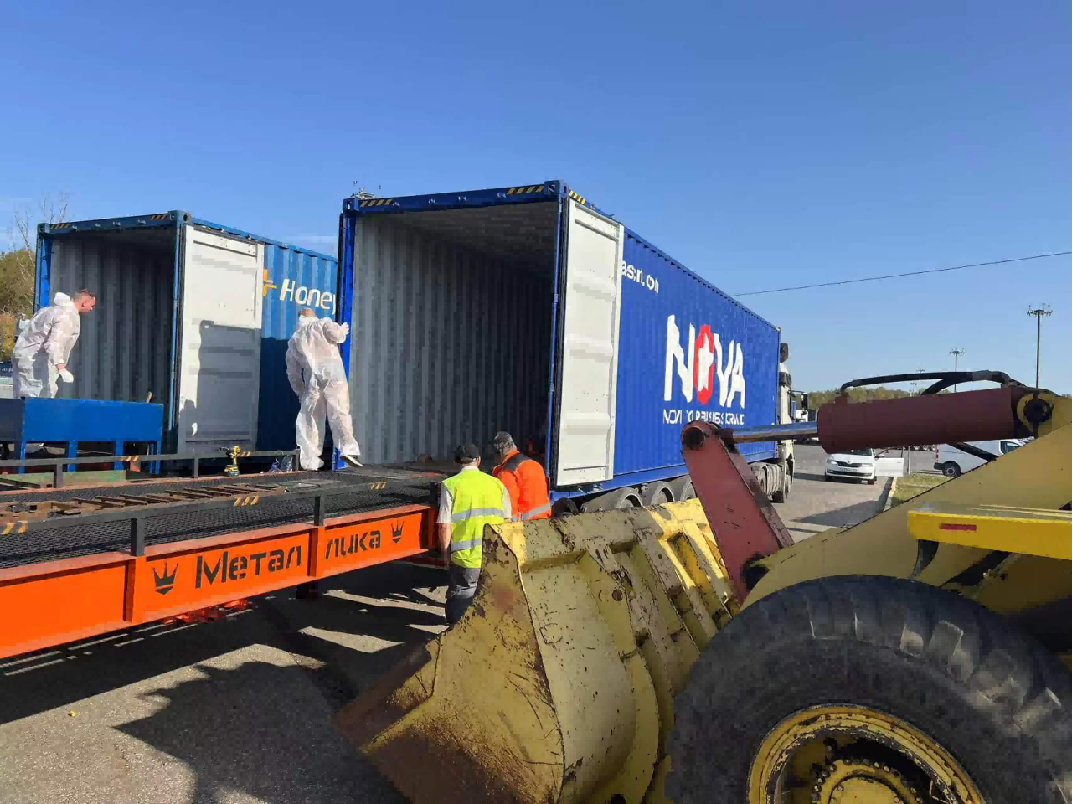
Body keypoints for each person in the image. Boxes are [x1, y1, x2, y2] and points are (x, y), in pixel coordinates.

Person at [437, 443, 511, 625]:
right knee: (488, 596)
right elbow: (508, 522)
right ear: (478, 460)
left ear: (457, 462)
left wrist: (445, 554)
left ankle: (456, 632)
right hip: (492, 555)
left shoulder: (450, 485)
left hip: (466, 558)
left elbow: (444, 525)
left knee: (461, 596)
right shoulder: (497, 484)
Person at [285, 308, 362, 470]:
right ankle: (348, 449)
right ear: (314, 316)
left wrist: (300, 392)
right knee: (339, 411)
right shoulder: (322, 324)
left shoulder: (294, 340)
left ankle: (310, 460)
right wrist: (342, 329)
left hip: (313, 380)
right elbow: (338, 336)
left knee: (311, 419)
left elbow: (292, 373)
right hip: (332, 374)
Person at [12, 290, 96, 400]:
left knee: (22, 399)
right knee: (39, 399)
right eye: (92, 305)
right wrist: (61, 368)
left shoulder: (48, 310)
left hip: (24, 359)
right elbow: (55, 343)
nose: (92, 309)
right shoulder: (67, 315)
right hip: (37, 364)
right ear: (84, 303)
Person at [491, 431, 552, 521]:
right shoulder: (534, 464)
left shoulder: (507, 472)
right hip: (544, 520)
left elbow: (509, 507)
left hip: (526, 523)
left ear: (499, 452)